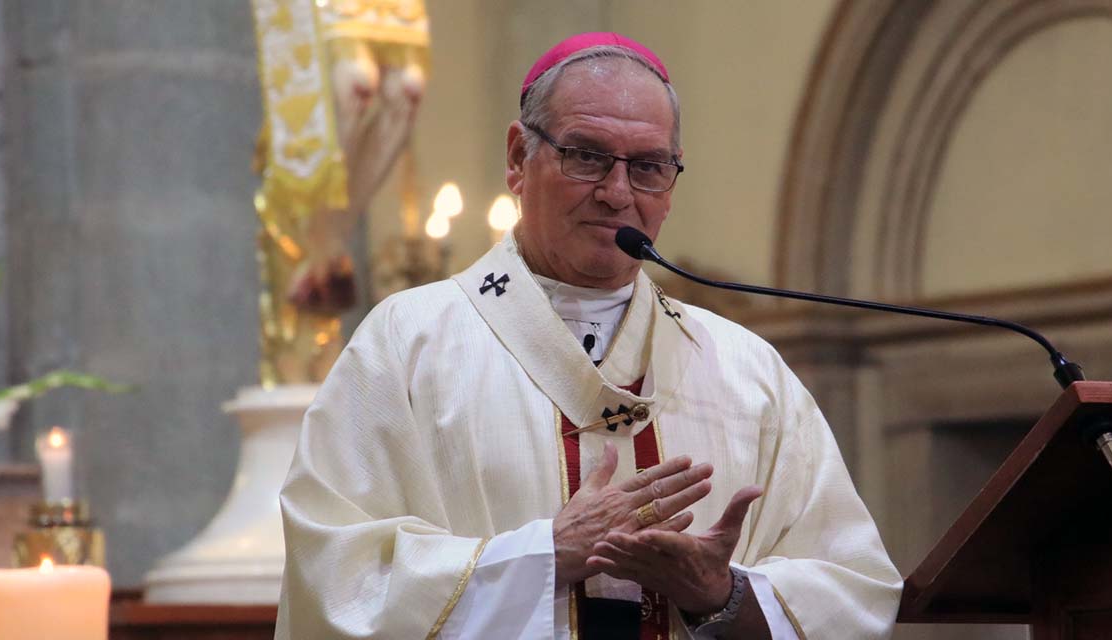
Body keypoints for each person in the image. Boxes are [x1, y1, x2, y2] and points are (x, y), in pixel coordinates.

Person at [275, 32, 902, 639]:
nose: (617, 192)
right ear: (519, 158)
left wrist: (723, 595)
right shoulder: (407, 344)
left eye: (650, 166)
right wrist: (543, 555)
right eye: (587, 155)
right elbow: (337, 579)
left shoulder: (747, 370)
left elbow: (853, 589)